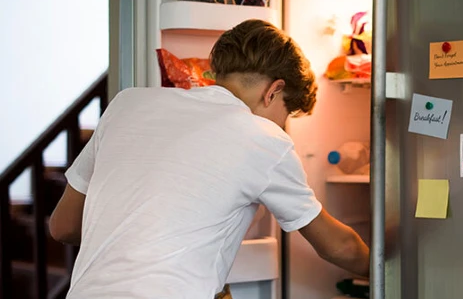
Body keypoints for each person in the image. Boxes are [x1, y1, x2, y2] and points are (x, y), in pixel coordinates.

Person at [48, 19, 370, 299]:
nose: (282, 125)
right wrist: (400, 275)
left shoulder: (126, 104)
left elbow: (62, 225)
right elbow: (340, 247)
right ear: (273, 91)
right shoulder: (265, 139)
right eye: (285, 113)